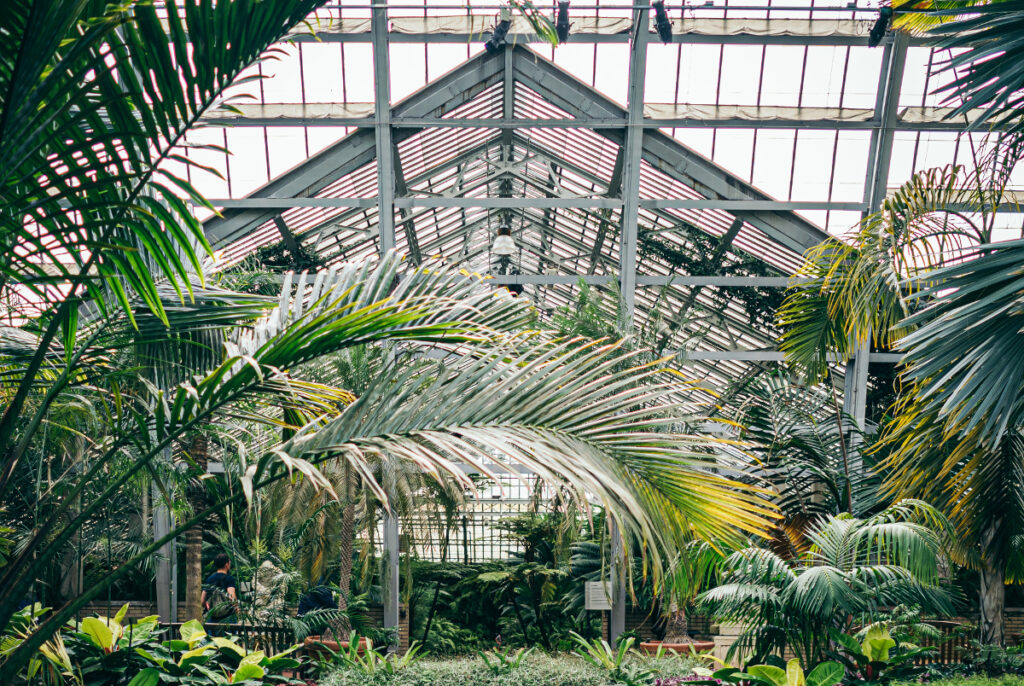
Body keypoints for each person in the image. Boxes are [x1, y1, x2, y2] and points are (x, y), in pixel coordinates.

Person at [201, 553, 238, 623]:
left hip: (212, 617)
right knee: (230, 634)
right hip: (227, 618)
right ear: (226, 565)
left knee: (212, 634)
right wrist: (236, 607)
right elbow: (231, 596)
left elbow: (202, 600)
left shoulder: (210, 579)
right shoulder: (229, 578)